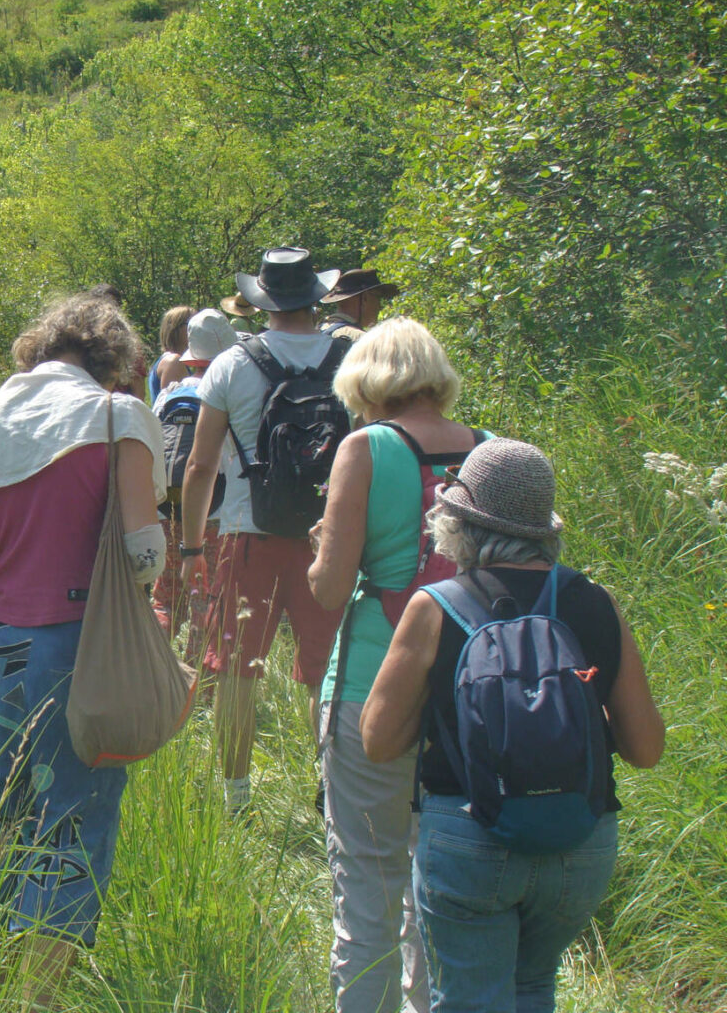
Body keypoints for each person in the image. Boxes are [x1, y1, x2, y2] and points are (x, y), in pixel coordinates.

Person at [359, 438, 664, 1013]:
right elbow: (646, 749)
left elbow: (377, 741)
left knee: (472, 999)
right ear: (544, 528)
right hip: (580, 839)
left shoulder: (435, 605)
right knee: (532, 990)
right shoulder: (596, 602)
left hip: (469, 834)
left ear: (457, 523)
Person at [0, 293, 166, 1007]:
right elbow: (144, 551)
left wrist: (20, 575)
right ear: (111, 358)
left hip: (2, 642)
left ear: (40, 349)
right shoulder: (116, 417)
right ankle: (40, 998)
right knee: (73, 813)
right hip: (84, 643)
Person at [307, 318, 481, 1013]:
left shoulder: (365, 448)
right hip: (466, 691)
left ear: (366, 381)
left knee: (367, 888)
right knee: (434, 880)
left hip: (369, 687)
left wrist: (323, 541)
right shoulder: (491, 452)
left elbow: (326, 589)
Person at [179, 248, 346, 818]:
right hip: (330, 538)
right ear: (316, 298)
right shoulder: (351, 359)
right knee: (328, 670)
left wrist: (192, 546)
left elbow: (200, 467)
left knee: (238, 671)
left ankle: (236, 796)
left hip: (247, 535)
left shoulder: (231, 365)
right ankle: (335, 788)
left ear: (262, 302)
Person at [151, 308, 239, 647]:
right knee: (205, 600)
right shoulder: (225, 395)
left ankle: (155, 679)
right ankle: (197, 689)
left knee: (165, 600)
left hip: (167, 509)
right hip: (211, 514)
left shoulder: (168, 393)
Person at [319, 269, 400, 342]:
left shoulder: (317, 330)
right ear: (365, 298)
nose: (380, 307)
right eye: (377, 298)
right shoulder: (363, 340)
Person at [148, 305, 193, 402]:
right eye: (191, 323)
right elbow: (173, 408)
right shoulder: (173, 362)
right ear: (175, 328)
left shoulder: (175, 360)